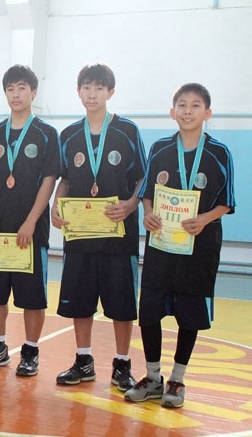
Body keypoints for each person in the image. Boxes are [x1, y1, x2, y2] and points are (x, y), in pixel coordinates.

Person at [124, 83, 235, 408]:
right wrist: (147, 214)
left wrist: (205, 219)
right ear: (172, 112)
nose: (188, 111)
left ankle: (177, 379)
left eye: (195, 105)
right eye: (182, 105)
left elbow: (228, 201)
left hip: (199, 247)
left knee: (190, 314)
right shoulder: (159, 148)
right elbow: (146, 192)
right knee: (150, 311)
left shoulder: (219, 152)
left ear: (207, 113)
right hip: (161, 246)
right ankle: (153, 378)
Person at [51, 63, 146, 391]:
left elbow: (143, 177)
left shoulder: (128, 131)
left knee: (122, 303)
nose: (92, 94)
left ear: (110, 92)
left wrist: (131, 204)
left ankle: (122, 364)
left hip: (119, 233)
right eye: (87, 88)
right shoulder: (69, 135)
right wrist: (55, 206)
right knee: (80, 300)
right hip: (80, 233)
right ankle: (84, 361)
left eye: (99, 88)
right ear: (78, 91)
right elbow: (64, 179)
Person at [0, 64, 59, 376]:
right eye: (10, 89)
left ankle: (30, 352)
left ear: (33, 92)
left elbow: (49, 180)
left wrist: (32, 221)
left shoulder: (46, 134)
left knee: (32, 298)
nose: (16, 94)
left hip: (30, 231)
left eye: (22, 88)